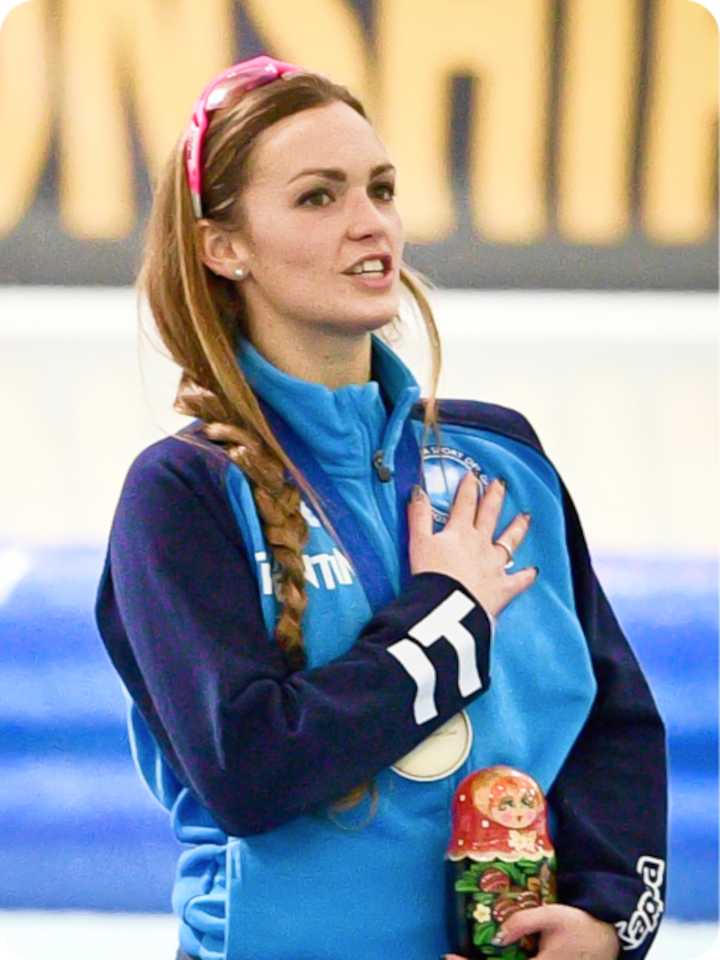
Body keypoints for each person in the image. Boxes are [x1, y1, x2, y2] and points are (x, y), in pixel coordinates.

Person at [95, 55, 667, 960]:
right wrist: (449, 613)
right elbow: (252, 771)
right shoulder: (182, 493)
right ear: (223, 246)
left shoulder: (504, 457)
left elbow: (610, 721)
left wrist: (608, 920)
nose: (370, 222)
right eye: (318, 197)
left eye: (382, 189)